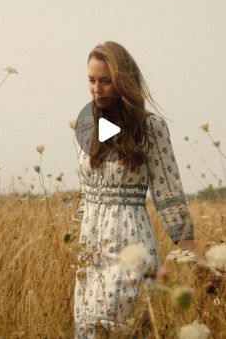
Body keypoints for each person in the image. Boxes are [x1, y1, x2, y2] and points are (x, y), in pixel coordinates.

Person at [73, 41, 207, 338]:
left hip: (131, 248)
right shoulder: (89, 128)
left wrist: (193, 254)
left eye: (106, 81)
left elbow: (168, 192)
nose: (97, 89)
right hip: (91, 254)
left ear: (124, 82)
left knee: (123, 328)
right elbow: (86, 194)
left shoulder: (151, 128)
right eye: (92, 80)